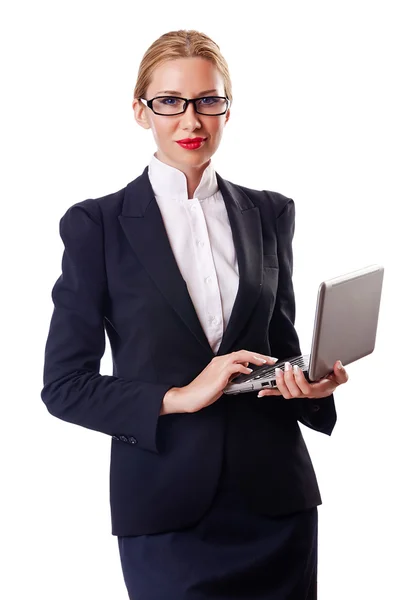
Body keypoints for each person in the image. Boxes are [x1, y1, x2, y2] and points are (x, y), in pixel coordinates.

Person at [41, 29, 349, 600]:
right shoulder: (97, 226)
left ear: (228, 108)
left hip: (276, 502)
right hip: (165, 508)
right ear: (141, 111)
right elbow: (64, 386)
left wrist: (311, 383)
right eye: (170, 103)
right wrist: (180, 395)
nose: (192, 121)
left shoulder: (270, 212)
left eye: (209, 101)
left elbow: (278, 345)